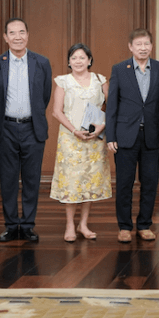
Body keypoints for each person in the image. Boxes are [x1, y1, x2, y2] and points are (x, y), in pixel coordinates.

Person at [106, 29, 159, 243]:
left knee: (150, 182)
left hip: (152, 135)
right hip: (125, 135)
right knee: (124, 183)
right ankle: (124, 227)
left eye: (146, 44)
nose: (143, 48)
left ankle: (144, 225)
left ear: (151, 46)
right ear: (130, 47)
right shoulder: (119, 69)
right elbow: (112, 105)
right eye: (138, 44)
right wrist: (110, 136)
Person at [0, 18, 53, 243]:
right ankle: (10, 225)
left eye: (21, 32)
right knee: (7, 179)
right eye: (12, 33)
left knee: (31, 179)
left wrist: (32, 117)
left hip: (32, 128)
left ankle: (27, 225)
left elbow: (44, 97)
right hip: (6, 127)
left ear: (28, 35)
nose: (17, 37)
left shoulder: (42, 62)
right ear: (6, 37)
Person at [50, 43, 111, 242]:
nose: (78, 61)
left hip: (94, 139)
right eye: (74, 58)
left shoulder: (100, 80)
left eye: (82, 57)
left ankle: (83, 224)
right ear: (69, 61)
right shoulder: (63, 81)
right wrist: (74, 130)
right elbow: (56, 111)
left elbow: (111, 107)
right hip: (70, 138)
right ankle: (69, 224)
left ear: (89, 60)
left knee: (90, 181)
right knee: (72, 182)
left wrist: (101, 127)